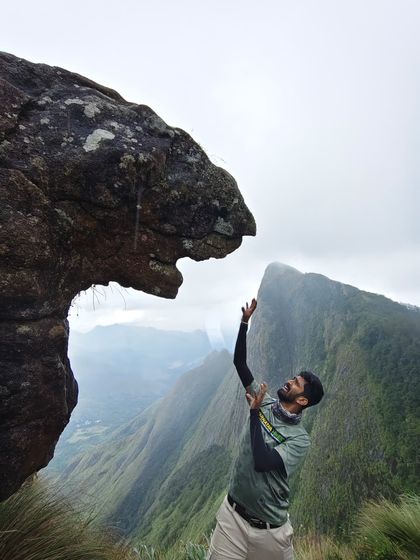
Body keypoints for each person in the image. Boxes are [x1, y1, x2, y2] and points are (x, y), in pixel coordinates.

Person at [207, 298, 324, 560]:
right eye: (292, 378)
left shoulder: (299, 440)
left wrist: (253, 414)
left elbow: (262, 461)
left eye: (295, 383)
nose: (289, 381)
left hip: (271, 533)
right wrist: (244, 322)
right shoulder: (266, 401)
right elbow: (240, 363)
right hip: (232, 519)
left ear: (302, 400)